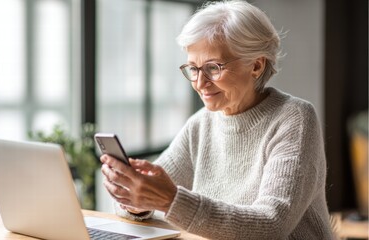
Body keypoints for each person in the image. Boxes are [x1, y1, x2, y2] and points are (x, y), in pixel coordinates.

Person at [100, 0, 334, 239]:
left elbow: (272, 225)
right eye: (193, 68)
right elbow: (151, 196)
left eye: (213, 68)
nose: (200, 83)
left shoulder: (294, 118)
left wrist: (170, 200)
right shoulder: (201, 123)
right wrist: (135, 200)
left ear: (256, 65)